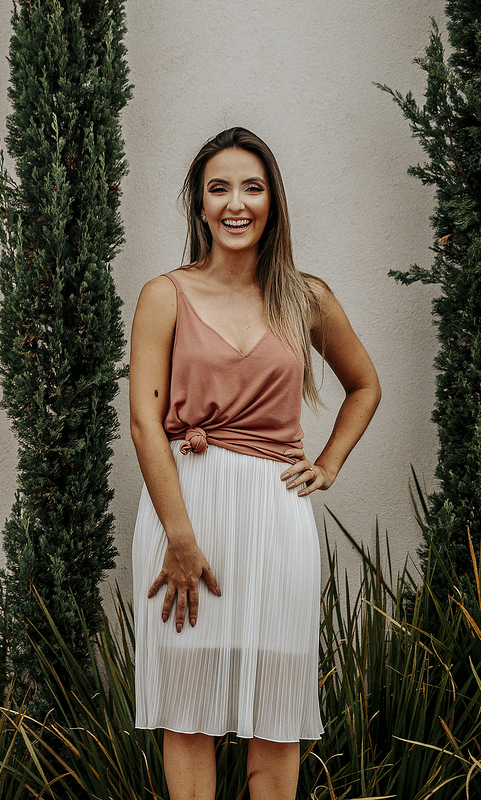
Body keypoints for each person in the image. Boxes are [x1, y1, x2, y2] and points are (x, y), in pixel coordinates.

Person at [129, 127, 380, 799]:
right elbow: (144, 423)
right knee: (188, 715)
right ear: (200, 205)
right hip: (187, 514)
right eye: (218, 189)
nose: (235, 204)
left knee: (277, 714)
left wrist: (327, 463)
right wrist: (179, 537)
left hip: (277, 516)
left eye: (251, 187)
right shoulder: (164, 295)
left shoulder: (307, 298)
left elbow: (366, 385)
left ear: (272, 201)